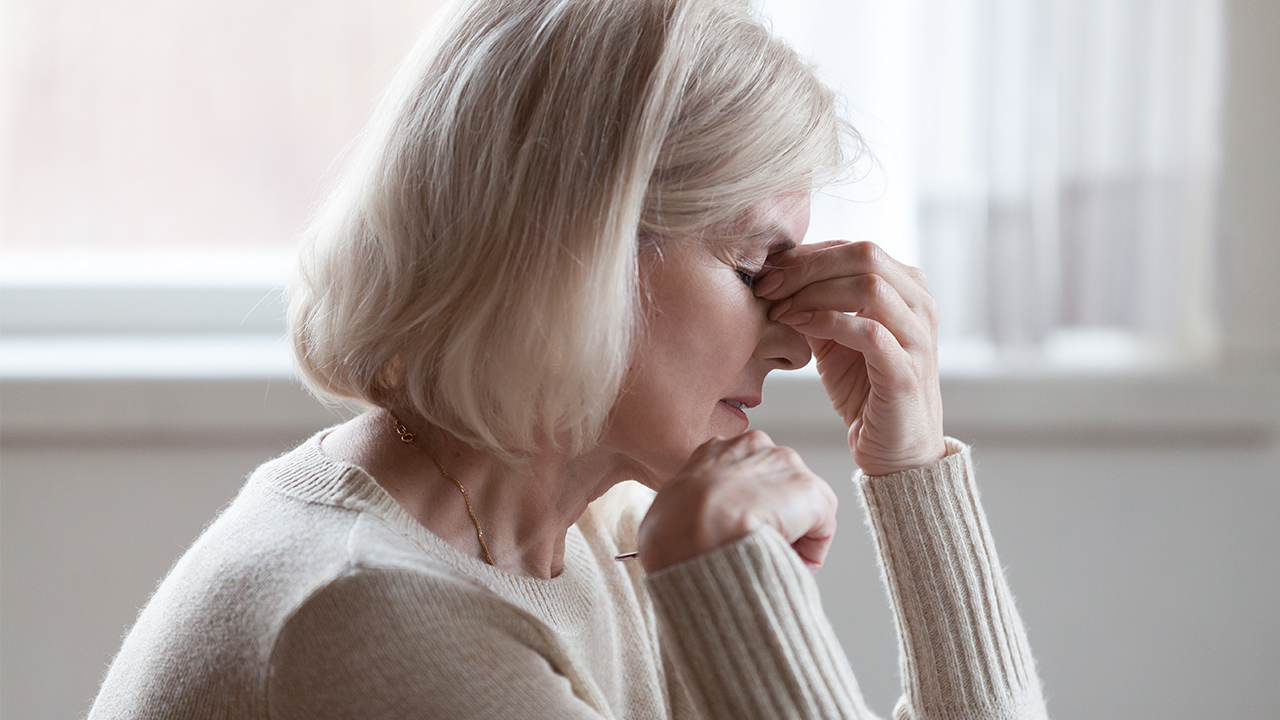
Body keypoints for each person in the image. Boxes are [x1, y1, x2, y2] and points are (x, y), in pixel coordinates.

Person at [89, 0, 1048, 718]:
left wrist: (913, 469)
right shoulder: (375, 620)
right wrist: (733, 595)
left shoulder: (598, 530)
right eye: (757, 266)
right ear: (576, 255)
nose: (798, 340)